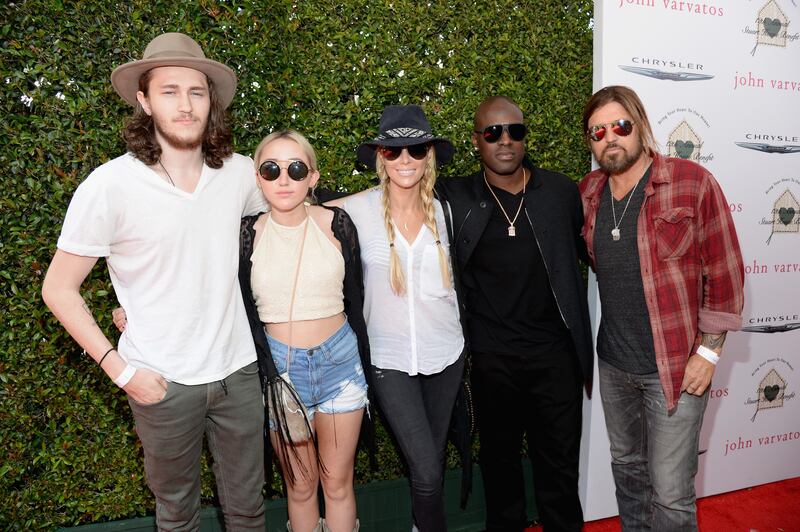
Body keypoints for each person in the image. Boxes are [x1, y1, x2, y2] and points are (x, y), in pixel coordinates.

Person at [41, 33, 266, 530]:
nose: (185, 105)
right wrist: (121, 372)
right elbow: (58, 288)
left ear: (211, 101)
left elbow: (297, 213)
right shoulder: (109, 186)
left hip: (238, 374)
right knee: (177, 515)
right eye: (170, 91)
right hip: (160, 382)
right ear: (144, 101)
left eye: (196, 92)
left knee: (249, 511)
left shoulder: (240, 173)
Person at [579, 85, 744, 531]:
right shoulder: (589, 192)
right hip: (614, 365)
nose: (610, 138)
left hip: (674, 366)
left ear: (640, 126)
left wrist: (708, 353)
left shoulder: (692, 182)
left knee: (671, 493)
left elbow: (725, 272)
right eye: (597, 132)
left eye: (620, 126)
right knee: (627, 470)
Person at [436, 96, 593, 532]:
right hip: (493, 360)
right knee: (499, 466)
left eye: (515, 131)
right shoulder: (455, 197)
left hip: (555, 358)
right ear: (476, 141)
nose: (505, 141)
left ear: (525, 138)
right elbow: (396, 197)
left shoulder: (560, 192)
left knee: (559, 468)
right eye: (493, 133)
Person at [328, 105, 466, 532]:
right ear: (380, 158)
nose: (405, 160)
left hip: (448, 354)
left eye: (416, 149)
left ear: (429, 156)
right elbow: (295, 212)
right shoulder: (355, 210)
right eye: (393, 151)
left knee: (433, 462)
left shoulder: (448, 211)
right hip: (388, 360)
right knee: (426, 471)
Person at [239, 130, 369, 532]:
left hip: (341, 365)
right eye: (271, 169)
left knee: (338, 483)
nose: (283, 179)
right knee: (300, 486)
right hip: (281, 371)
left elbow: (359, 295)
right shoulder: (246, 235)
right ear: (258, 178)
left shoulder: (336, 224)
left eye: (295, 169)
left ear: (312, 177)